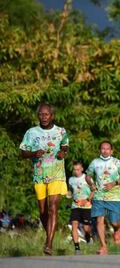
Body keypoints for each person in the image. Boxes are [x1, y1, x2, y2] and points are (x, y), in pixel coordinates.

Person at [19, 103, 69, 255]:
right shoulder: (31, 132)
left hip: (56, 173)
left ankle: (49, 244)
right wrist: (33, 154)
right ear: (38, 116)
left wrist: (62, 152)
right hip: (39, 174)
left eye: (47, 114)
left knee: (53, 207)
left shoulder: (61, 131)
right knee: (42, 211)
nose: (44, 117)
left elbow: (65, 146)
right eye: (41, 114)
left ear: (52, 116)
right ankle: (49, 235)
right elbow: (22, 153)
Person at [85, 141, 120, 255]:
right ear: (100, 150)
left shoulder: (117, 162)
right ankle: (104, 246)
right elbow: (88, 176)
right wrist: (91, 184)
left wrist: (114, 183)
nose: (105, 150)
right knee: (99, 219)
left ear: (111, 151)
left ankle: (116, 229)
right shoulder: (94, 162)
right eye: (103, 148)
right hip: (99, 196)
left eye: (107, 148)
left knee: (114, 222)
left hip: (114, 197)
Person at [68, 161, 94, 254]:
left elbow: (93, 190)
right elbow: (70, 191)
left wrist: (87, 200)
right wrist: (68, 195)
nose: (76, 171)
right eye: (74, 169)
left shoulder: (87, 178)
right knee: (74, 225)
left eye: (78, 169)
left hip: (87, 206)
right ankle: (77, 248)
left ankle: (88, 237)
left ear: (82, 169)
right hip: (75, 206)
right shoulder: (71, 180)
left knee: (86, 229)